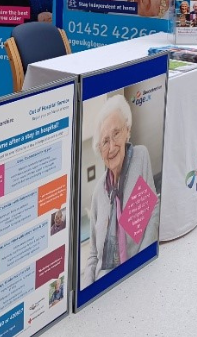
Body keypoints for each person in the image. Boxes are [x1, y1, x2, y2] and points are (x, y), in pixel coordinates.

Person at [81, 95, 159, 288]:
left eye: (116, 134)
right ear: (100, 151)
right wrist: (89, 285)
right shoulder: (99, 191)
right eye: (105, 141)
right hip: (104, 278)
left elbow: (152, 210)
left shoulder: (139, 157)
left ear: (127, 132)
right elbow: (93, 253)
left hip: (135, 272)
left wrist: (142, 266)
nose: (112, 146)